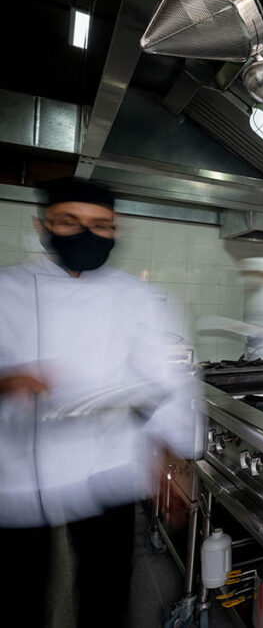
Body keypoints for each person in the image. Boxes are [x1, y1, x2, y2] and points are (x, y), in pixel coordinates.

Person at [0, 179, 201, 627]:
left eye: (100, 225)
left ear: (115, 230)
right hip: (17, 472)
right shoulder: (5, 289)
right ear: (42, 226)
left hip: (107, 467)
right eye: (69, 222)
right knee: (19, 595)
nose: (86, 233)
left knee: (106, 595)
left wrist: (175, 460)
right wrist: (5, 382)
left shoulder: (136, 296)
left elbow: (167, 381)